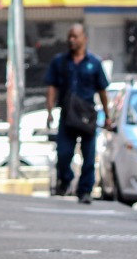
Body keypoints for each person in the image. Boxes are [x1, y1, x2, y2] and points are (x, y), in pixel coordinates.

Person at [44, 24, 112, 204]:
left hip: (87, 116)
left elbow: (102, 91)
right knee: (63, 154)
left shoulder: (94, 63)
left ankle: (85, 191)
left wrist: (108, 115)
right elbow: (52, 88)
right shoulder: (60, 62)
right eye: (69, 37)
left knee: (89, 156)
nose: (71, 40)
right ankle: (65, 179)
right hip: (67, 115)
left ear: (84, 38)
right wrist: (49, 112)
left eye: (75, 36)